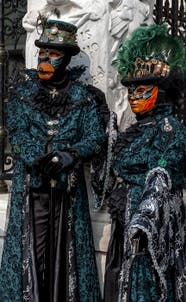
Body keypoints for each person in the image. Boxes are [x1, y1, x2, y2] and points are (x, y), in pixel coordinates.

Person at [0, 18, 106, 302]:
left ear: (67, 59)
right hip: (31, 189)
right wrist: (38, 156)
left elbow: (95, 137)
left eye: (54, 54)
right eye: (43, 53)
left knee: (65, 255)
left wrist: (70, 155)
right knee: (30, 251)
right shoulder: (22, 94)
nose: (45, 59)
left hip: (67, 193)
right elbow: (18, 132)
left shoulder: (83, 98)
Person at [103, 24, 186, 302]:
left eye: (141, 91)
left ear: (162, 92)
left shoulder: (172, 131)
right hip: (127, 222)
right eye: (130, 91)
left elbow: (160, 176)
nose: (133, 97)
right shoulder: (136, 129)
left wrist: (144, 221)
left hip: (155, 225)